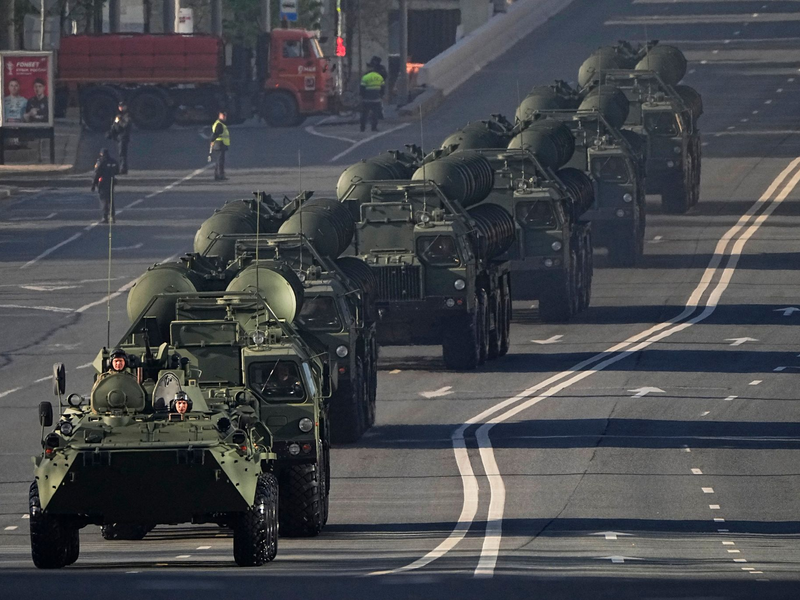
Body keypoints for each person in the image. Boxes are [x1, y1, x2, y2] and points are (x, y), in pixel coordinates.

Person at [91, 148, 119, 223]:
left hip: (103, 182)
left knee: (104, 199)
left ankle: (105, 216)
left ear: (101, 154)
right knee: (110, 199)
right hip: (111, 181)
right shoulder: (113, 161)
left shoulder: (100, 161)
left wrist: (94, 184)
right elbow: (117, 171)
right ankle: (112, 216)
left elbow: (97, 173)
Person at [107, 102, 132, 174]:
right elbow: (114, 126)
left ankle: (123, 169)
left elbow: (125, 125)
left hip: (123, 137)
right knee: (120, 153)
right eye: (120, 106)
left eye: (122, 106)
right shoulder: (118, 115)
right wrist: (110, 133)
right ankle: (121, 168)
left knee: (122, 154)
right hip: (118, 137)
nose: (120, 108)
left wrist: (119, 121)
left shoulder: (127, 115)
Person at [359, 63, 385, 133]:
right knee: (375, 114)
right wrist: (381, 95)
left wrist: (362, 97)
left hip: (366, 99)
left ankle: (362, 127)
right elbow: (382, 88)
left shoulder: (365, 77)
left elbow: (362, 89)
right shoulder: (379, 77)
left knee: (364, 113)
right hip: (376, 99)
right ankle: (374, 127)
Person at [209, 111, 230, 181]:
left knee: (219, 160)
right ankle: (220, 175)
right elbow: (216, 134)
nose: (224, 117)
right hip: (220, 144)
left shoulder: (220, 124)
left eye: (225, 115)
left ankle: (219, 175)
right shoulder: (219, 124)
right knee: (220, 160)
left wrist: (212, 141)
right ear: (220, 116)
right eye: (223, 115)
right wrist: (212, 140)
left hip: (220, 144)